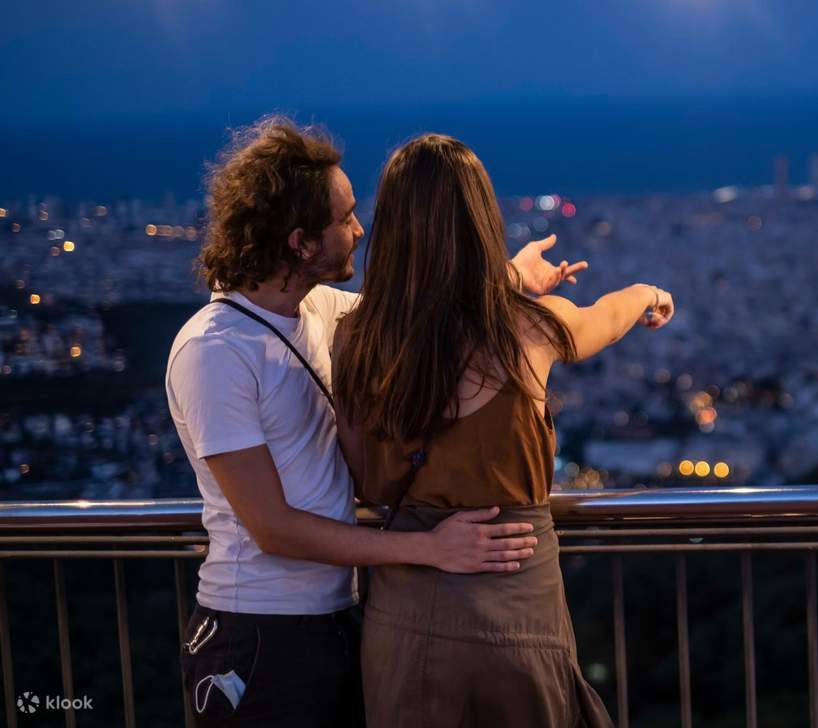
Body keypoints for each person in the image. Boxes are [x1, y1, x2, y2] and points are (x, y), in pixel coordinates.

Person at [166, 116, 584, 727]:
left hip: (337, 618)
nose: (360, 231)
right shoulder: (215, 350)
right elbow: (272, 527)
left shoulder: (318, 309)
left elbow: (427, 309)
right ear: (301, 243)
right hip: (258, 634)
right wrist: (428, 549)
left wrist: (515, 277)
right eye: (344, 220)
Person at [332, 133, 674, 727]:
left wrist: (512, 280)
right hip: (516, 609)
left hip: (405, 615)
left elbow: (432, 327)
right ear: (483, 223)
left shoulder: (356, 338)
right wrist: (647, 292)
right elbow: (604, 317)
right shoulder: (530, 331)